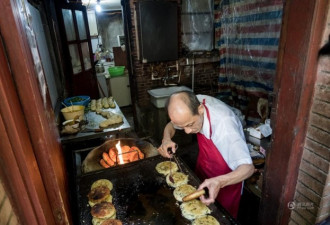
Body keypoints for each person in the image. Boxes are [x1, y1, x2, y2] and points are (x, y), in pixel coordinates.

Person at [158, 91, 254, 218]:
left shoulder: (225, 125)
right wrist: (166, 139)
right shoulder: (191, 104)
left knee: (219, 217)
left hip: (226, 181)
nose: (187, 132)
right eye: (183, 126)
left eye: (190, 125)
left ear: (201, 109)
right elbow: (172, 125)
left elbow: (248, 168)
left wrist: (219, 182)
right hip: (204, 168)